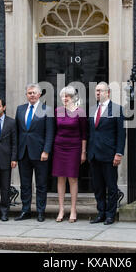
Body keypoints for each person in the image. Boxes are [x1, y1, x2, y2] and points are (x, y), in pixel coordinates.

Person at [88, 82, 126, 225]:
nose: (97, 93)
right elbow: (90, 132)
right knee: (98, 187)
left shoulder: (117, 109)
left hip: (109, 155)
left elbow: (121, 134)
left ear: (108, 92)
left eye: (100, 91)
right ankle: (101, 213)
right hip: (94, 154)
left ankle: (111, 214)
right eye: (96, 91)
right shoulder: (92, 109)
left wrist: (119, 153)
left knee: (111, 186)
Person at [15, 83, 54, 222]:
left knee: (41, 184)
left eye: (34, 93)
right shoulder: (20, 109)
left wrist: (46, 151)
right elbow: (17, 133)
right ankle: (25, 210)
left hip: (40, 153)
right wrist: (15, 154)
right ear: (26, 95)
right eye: (29, 93)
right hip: (23, 152)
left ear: (39, 94)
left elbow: (50, 133)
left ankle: (40, 211)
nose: (31, 95)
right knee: (25, 184)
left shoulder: (46, 109)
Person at [52, 86, 87, 223]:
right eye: (63, 96)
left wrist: (83, 152)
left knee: (72, 178)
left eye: (68, 96)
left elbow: (84, 134)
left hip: (74, 147)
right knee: (60, 179)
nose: (65, 98)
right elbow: (54, 130)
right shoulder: (57, 111)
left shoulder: (80, 112)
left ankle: (73, 209)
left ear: (73, 98)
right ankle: (61, 209)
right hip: (59, 147)